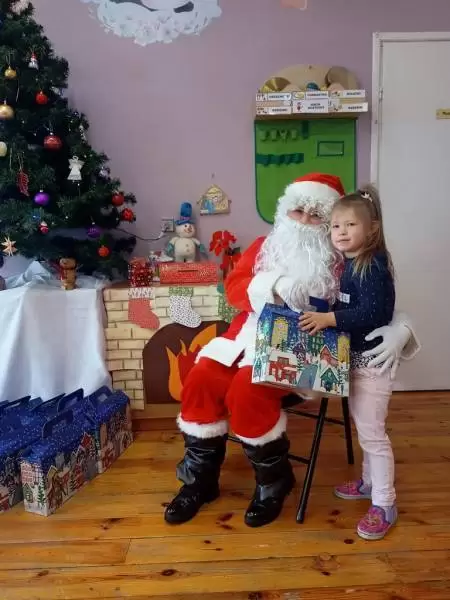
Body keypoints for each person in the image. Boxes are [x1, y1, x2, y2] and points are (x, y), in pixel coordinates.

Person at [164, 173, 419, 528]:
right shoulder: (263, 246)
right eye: (298, 211)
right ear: (285, 211)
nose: (304, 220)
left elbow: (376, 301)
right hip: (244, 339)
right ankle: (199, 483)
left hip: (301, 354)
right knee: (201, 378)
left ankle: (274, 482)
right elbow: (233, 289)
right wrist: (274, 285)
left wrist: (403, 329)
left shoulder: (342, 255)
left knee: (247, 389)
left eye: (316, 216)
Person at [299, 184, 398, 540]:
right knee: (365, 429)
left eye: (350, 225)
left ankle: (385, 503)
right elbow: (349, 304)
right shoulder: (351, 264)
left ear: (372, 229)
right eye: (336, 226)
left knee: (373, 435)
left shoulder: (372, 265)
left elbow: (374, 312)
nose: (341, 232)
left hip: (372, 364)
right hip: (356, 361)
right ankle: (370, 484)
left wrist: (329, 319)